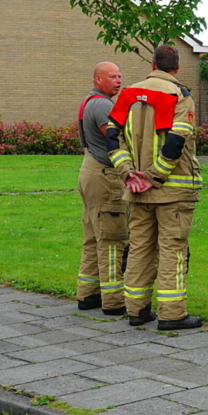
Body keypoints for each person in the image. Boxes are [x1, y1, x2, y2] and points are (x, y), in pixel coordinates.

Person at [106, 45, 203, 331]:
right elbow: (176, 141)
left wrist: (129, 174)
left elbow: (112, 136)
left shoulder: (128, 95)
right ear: (177, 67)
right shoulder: (180, 96)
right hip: (172, 191)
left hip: (136, 191)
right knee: (172, 250)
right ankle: (172, 314)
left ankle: (136, 309)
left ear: (152, 65)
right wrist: (154, 176)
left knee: (139, 249)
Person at [76, 62, 127, 315]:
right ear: (97, 79)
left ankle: (88, 294)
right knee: (111, 238)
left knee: (92, 237)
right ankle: (114, 300)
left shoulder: (89, 101)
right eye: (112, 77)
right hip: (105, 175)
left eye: (119, 76)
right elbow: (114, 138)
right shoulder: (104, 105)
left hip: (89, 169)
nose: (118, 80)